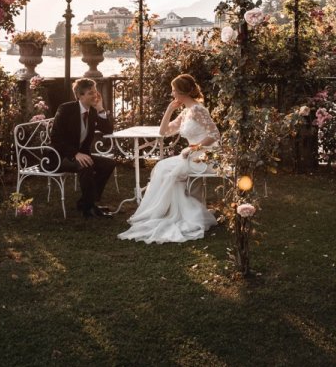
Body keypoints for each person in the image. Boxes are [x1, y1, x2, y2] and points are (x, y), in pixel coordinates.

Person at [118, 74, 219, 243]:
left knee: (167, 169)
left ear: (181, 92)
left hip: (204, 154)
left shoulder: (198, 110)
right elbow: (163, 132)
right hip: (191, 153)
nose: (172, 93)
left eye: (173, 90)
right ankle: (169, 211)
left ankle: (183, 212)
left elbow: (215, 135)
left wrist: (195, 148)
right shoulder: (186, 111)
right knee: (163, 168)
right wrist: (170, 110)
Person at [51, 78, 116, 219]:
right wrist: (75, 154)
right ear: (80, 96)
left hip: (81, 156)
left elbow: (108, 130)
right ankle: (88, 208)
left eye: (95, 92)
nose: (95, 95)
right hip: (60, 157)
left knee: (108, 164)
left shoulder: (92, 111)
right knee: (85, 165)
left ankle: (88, 202)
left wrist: (100, 109)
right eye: (90, 93)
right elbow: (55, 139)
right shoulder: (66, 109)